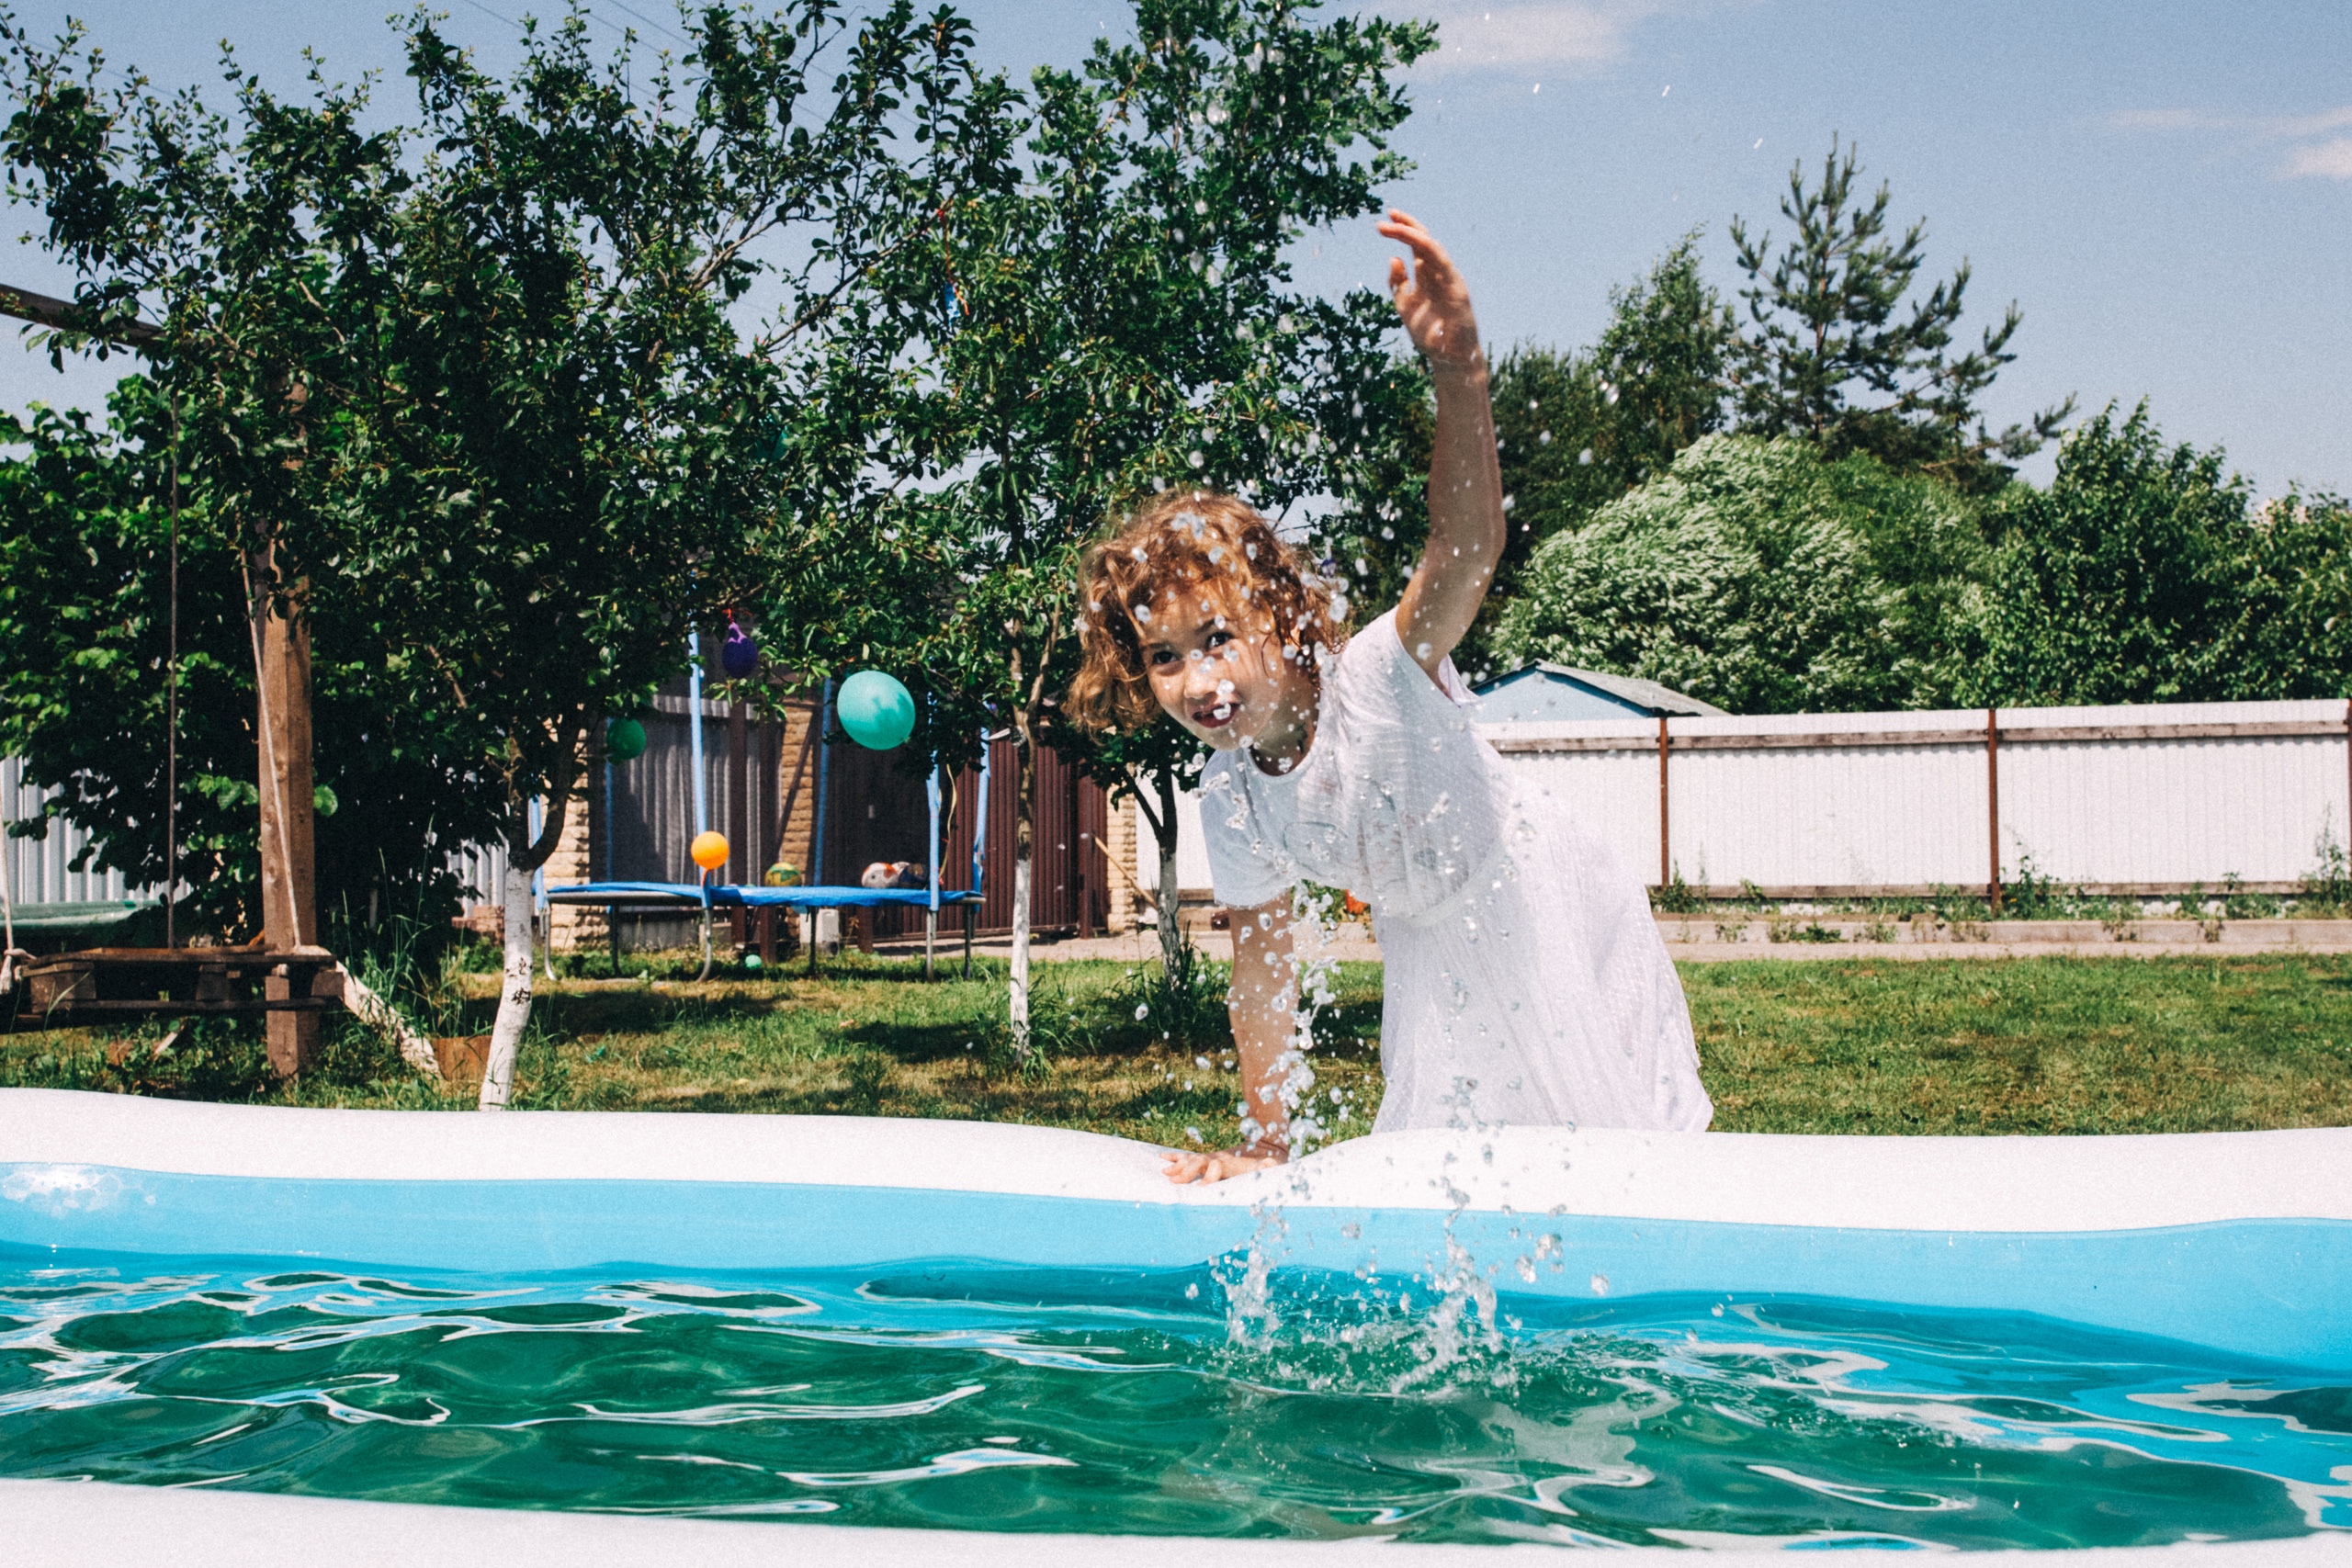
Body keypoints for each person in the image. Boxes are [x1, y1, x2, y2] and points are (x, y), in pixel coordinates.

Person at [1065, 209, 1713, 1185]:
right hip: (1426, 939)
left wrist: (1460, 374)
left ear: (1280, 614)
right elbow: (1263, 970)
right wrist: (1265, 1142)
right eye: (1162, 657)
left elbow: (1465, 554)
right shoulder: (1231, 790)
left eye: (1215, 639)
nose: (1195, 681)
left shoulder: (1378, 680)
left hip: (1537, 894)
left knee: (1620, 1143)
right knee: (1452, 1175)